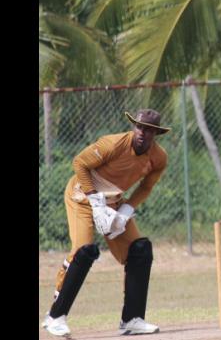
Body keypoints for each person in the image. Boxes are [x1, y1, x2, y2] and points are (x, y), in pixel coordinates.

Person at [42, 109, 171, 336]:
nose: (143, 133)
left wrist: (126, 209)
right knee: (84, 251)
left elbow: (146, 187)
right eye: (140, 127)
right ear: (134, 127)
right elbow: (80, 163)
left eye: (149, 130)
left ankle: (132, 319)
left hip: (113, 202)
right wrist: (95, 201)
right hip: (82, 197)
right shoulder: (114, 144)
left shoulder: (158, 158)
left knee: (140, 250)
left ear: (156, 134)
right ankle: (55, 316)